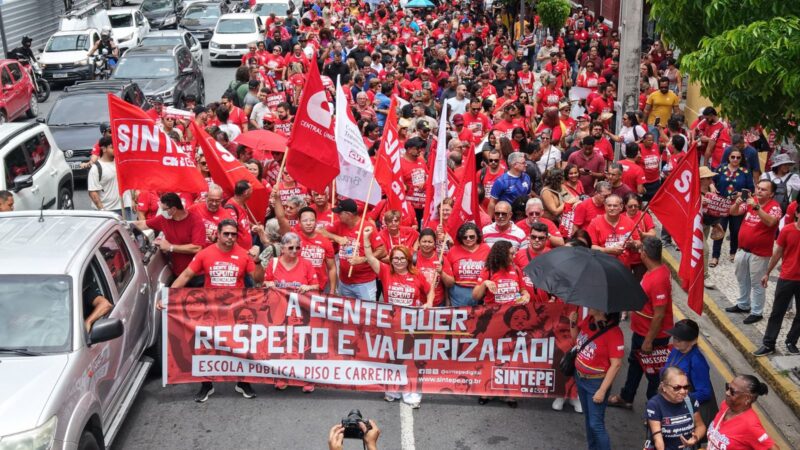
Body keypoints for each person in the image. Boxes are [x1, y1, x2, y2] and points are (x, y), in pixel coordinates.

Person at [171, 219, 256, 402]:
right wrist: (168, 296)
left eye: (233, 234)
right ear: (218, 234)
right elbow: (186, 275)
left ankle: (243, 382)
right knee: (207, 347)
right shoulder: (205, 253)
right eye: (226, 234)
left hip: (236, 310)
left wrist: (258, 260)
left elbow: (257, 277)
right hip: (211, 310)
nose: (230, 237)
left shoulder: (243, 254)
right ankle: (206, 384)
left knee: (240, 346)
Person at [363, 227, 431, 408]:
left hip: (411, 325)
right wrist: (366, 238)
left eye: (402, 258)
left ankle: (411, 394)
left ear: (408, 260)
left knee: (409, 359)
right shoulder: (385, 272)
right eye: (395, 258)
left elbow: (430, 290)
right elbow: (369, 257)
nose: (399, 261)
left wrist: (429, 302)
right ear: (391, 260)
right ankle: (392, 390)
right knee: (391, 357)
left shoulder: (417, 274)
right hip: (390, 324)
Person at [609, 237, 674, 409]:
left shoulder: (658, 280)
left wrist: (649, 340)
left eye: (640, 250)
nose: (639, 252)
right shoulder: (656, 269)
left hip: (652, 336)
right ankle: (627, 396)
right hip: (641, 331)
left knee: (653, 373)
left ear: (644, 254)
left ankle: (655, 408)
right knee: (635, 365)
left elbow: (659, 315)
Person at [725, 180, 782, 324]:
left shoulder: (774, 207)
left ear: (771, 194)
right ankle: (743, 304)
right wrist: (737, 203)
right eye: (758, 188)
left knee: (757, 283)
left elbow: (771, 222)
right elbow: (733, 212)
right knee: (742, 279)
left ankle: (757, 312)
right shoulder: (752, 201)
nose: (759, 191)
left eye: (764, 189)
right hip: (742, 249)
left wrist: (756, 207)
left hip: (759, 253)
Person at [571, 308, 624, 450]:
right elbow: (576, 341)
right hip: (580, 378)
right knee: (589, 420)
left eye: (592, 305)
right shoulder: (589, 320)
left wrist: (602, 390)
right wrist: (573, 324)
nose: (588, 306)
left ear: (603, 310)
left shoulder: (614, 333)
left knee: (596, 424)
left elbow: (616, 364)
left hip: (596, 384)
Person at [753, 204, 800, 356]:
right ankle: (769, 344)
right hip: (787, 277)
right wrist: (767, 273)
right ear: (797, 214)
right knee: (777, 312)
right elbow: (778, 252)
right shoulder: (787, 230)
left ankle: (791, 341)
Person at [663, 319, 717, 443]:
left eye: (680, 339)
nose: (675, 341)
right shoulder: (676, 350)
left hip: (686, 411)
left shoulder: (697, 361)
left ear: (693, 341)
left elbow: (705, 392)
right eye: (675, 337)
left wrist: (678, 398)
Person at [324, 199, 386, 301]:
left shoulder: (367, 227)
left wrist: (363, 259)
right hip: (344, 282)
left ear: (348, 214)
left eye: (340, 213)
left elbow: (382, 251)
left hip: (365, 283)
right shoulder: (339, 224)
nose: (337, 215)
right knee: (346, 310)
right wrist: (336, 238)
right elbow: (320, 231)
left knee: (366, 310)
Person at [134, 193, 205, 280]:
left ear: (173, 209)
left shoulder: (195, 221)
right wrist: (123, 224)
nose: (162, 212)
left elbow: (197, 248)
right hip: (177, 272)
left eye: (164, 209)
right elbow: (142, 224)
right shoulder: (163, 219)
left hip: (196, 274)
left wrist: (170, 247)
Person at [710, 148, 755, 267]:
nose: (735, 159)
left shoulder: (745, 171)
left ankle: (733, 252)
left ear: (741, 159)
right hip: (722, 204)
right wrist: (712, 186)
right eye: (733, 157)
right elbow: (711, 179)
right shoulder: (721, 168)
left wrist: (741, 194)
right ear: (728, 157)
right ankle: (715, 256)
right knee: (719, 230)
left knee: (735, 231)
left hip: (738, 205)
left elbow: (751, 190)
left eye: (738, 157)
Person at [706, 375, 777, 449]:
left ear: (747, 398)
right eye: (727, 387)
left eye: (732, 391)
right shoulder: (725, 406)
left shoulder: (751, 425)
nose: (727, 393)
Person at [644, 367, 706, 450]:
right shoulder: (654, 405)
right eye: (677, 387)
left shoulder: (690, 400)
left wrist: (695, 438)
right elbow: (658, 439)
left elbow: (700, 426)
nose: (683, 391)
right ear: (664, 386)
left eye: (686, 387)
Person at [441, 223, 491, 306]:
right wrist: (447, 299)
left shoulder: (486, 249)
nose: (468, 239)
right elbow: (447, 278)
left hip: (481, 292)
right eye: (465, 237)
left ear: (477, 236)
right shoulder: (453, 251)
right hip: (458, 295)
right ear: (460, 238)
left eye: (472, 236)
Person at [87, 136, 133, 219]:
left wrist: (133, 200)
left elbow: (129, 181)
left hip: (125, 207)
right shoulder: (96, 169)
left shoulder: (121, 163)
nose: (116, 150)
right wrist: (102, 211)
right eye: (112, 147)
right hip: (108, 211)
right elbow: (93, 192)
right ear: (104, 149)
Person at [488, 152, 532, 217]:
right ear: (515, 165)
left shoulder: (527, 177)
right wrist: (489, 220)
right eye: (523, 163)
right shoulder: (501, 181)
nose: (526, 165)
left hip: (524, 216)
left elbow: (529, 196)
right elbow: (492, 202)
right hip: (507, 217)